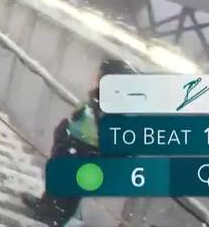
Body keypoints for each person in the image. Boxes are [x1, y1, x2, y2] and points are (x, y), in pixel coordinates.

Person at [21, 58, 135, 226]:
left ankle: (54, 216)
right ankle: (46, 205)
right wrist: (64, 132)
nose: (96, 77)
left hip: (86, 156)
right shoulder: (101, 98)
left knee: (68, 189)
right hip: (74, 148)